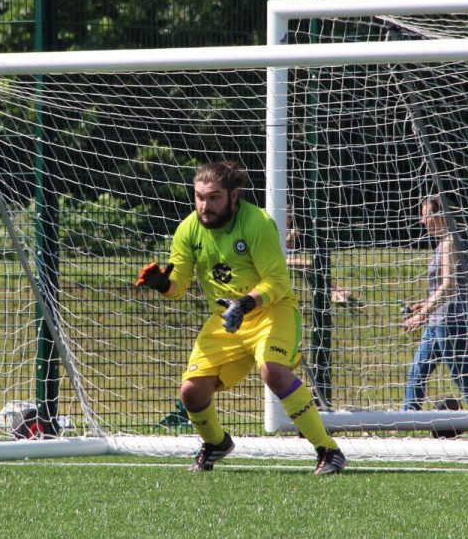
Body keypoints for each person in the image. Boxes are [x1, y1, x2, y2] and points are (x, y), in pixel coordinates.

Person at [136, 160, 346, 475]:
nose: (204, 206)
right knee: (191, 391)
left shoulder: (257, 223)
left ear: (235, 196)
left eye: (214, 197)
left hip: (272, 310)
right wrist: (162, 284)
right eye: (199, 197)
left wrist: (244, 304)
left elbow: (276, 283)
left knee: (272, 371)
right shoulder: (188, 229)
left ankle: (328, 451)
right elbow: (178, 284)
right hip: (226, 319)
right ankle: (217, 443)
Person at [402, 195, 468, 411]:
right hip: (439, 317)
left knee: (460, 374)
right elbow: (446, 286)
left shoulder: (451, 242)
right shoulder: (443, 243)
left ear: (440, 216)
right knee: (417, 372)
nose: (422, 222)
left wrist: (423, 314)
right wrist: (424, 305)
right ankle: (407, 420)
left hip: (453, 319)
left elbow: (449, 286)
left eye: (426, 216)